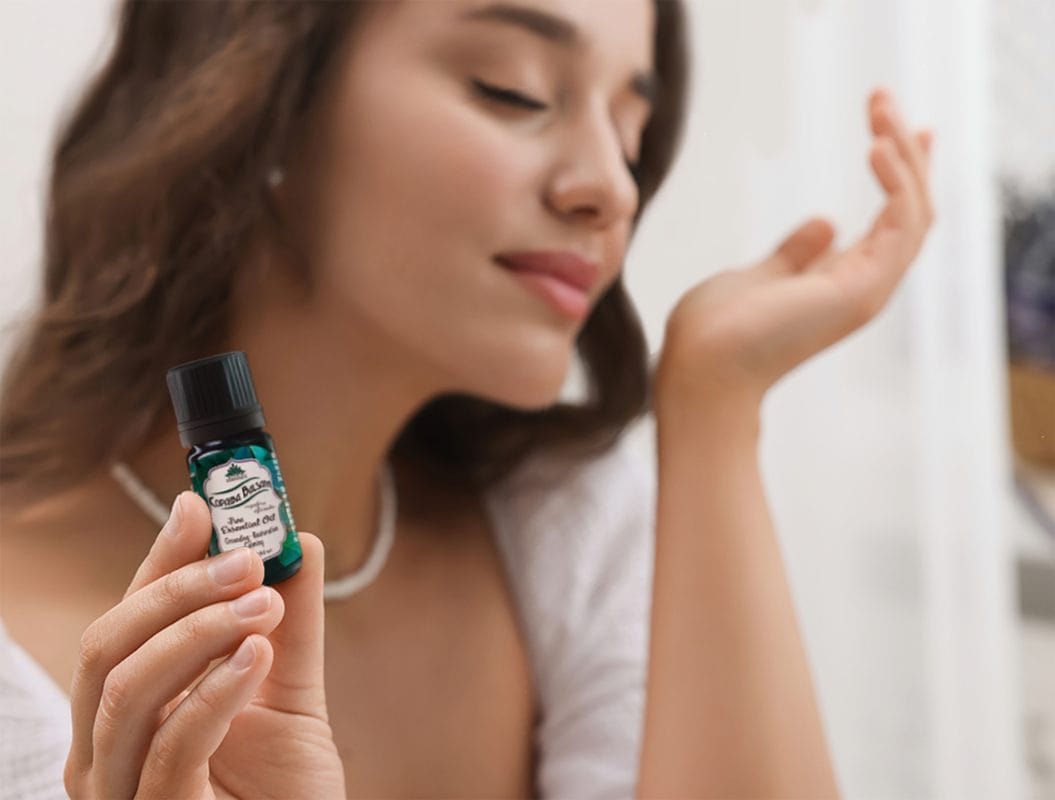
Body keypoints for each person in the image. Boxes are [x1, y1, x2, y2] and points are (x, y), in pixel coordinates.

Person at [0, 0, 934, 797]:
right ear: (265, 103)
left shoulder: (562, 531)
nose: (611, 188)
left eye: (631, 134)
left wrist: (717, 405)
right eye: (514, 89)